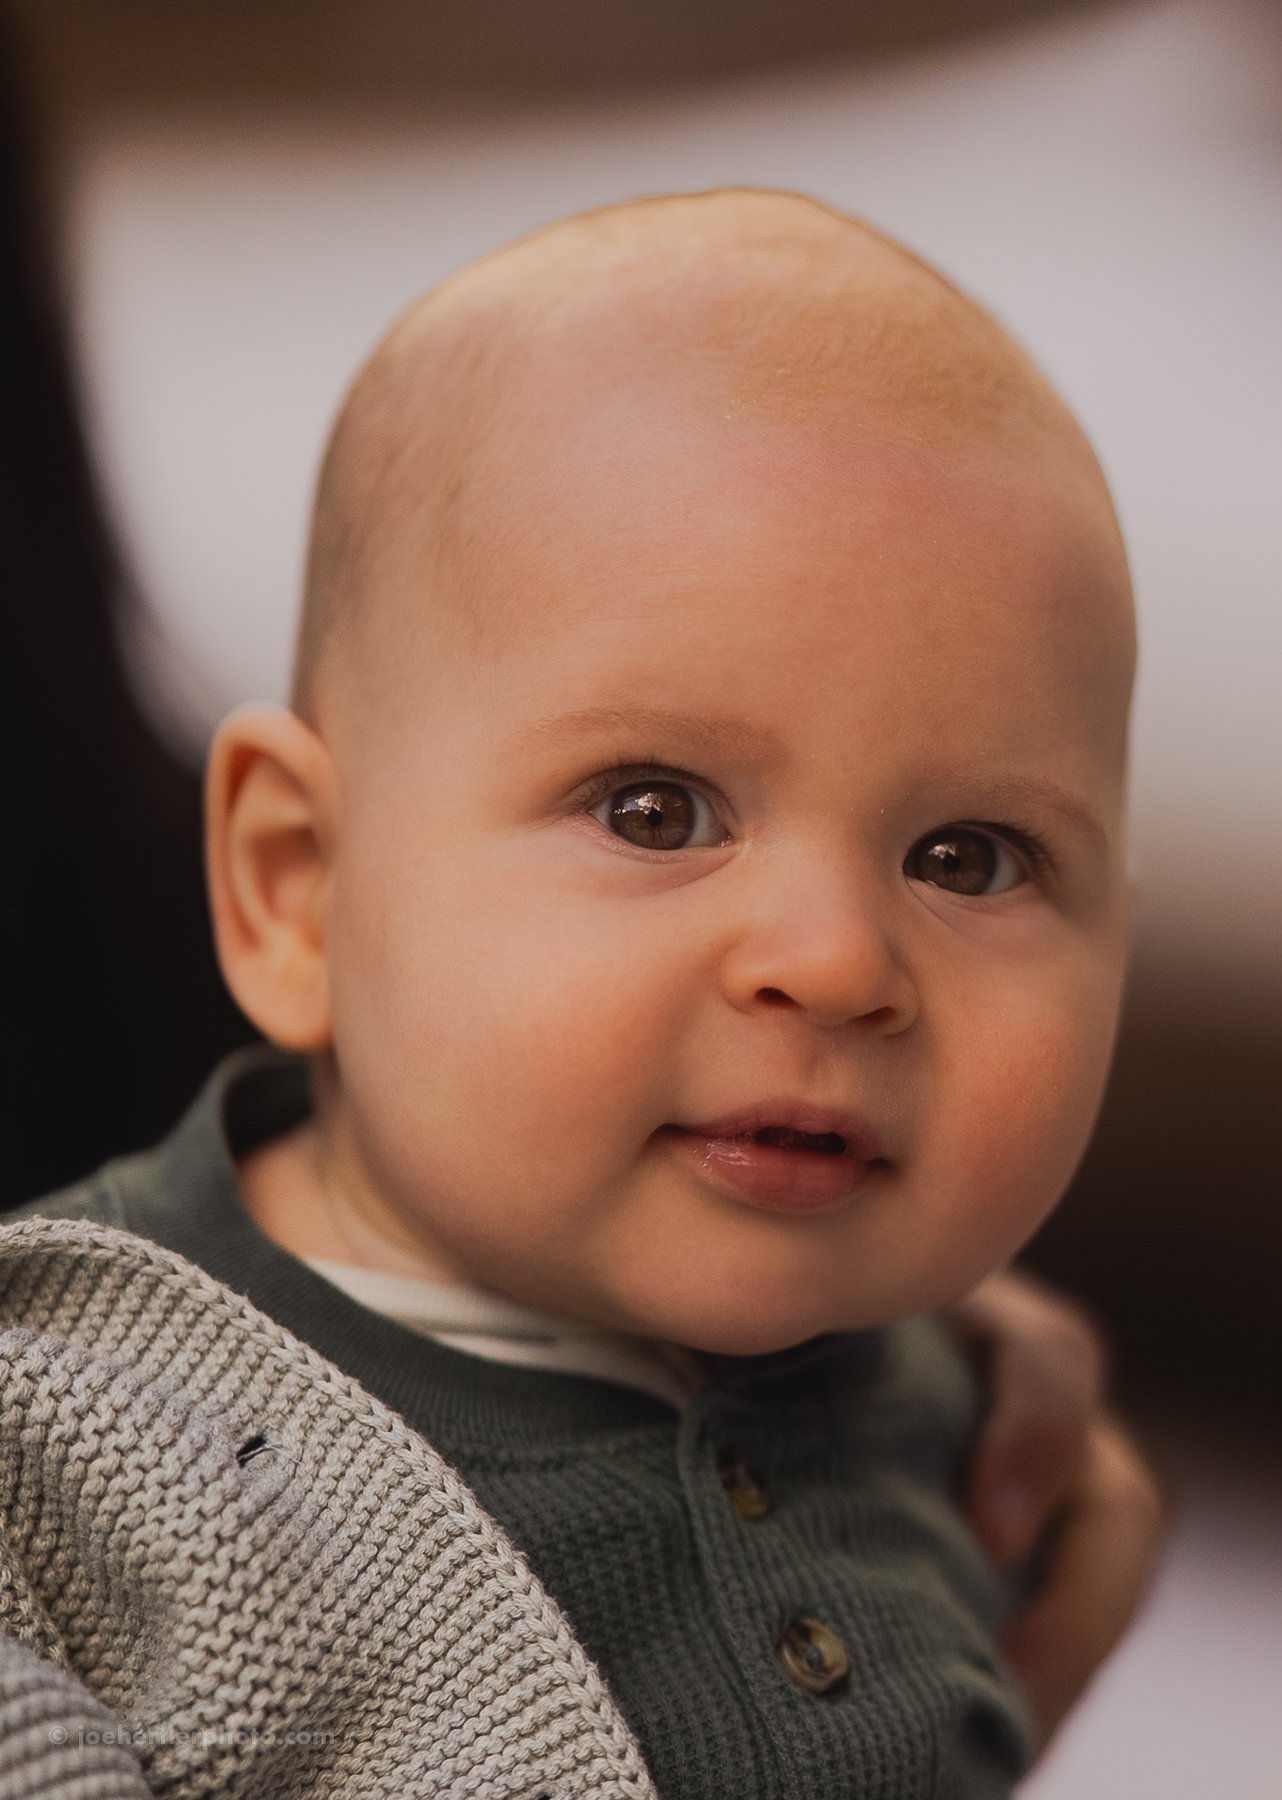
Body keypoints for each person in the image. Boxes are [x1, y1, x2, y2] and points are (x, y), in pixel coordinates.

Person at [0, 189, 1163, 1799]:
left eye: (967, 858)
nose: (833, 961)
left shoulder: (963, 1419)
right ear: (300, 886)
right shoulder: (69, 1457)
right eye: (653, 811)